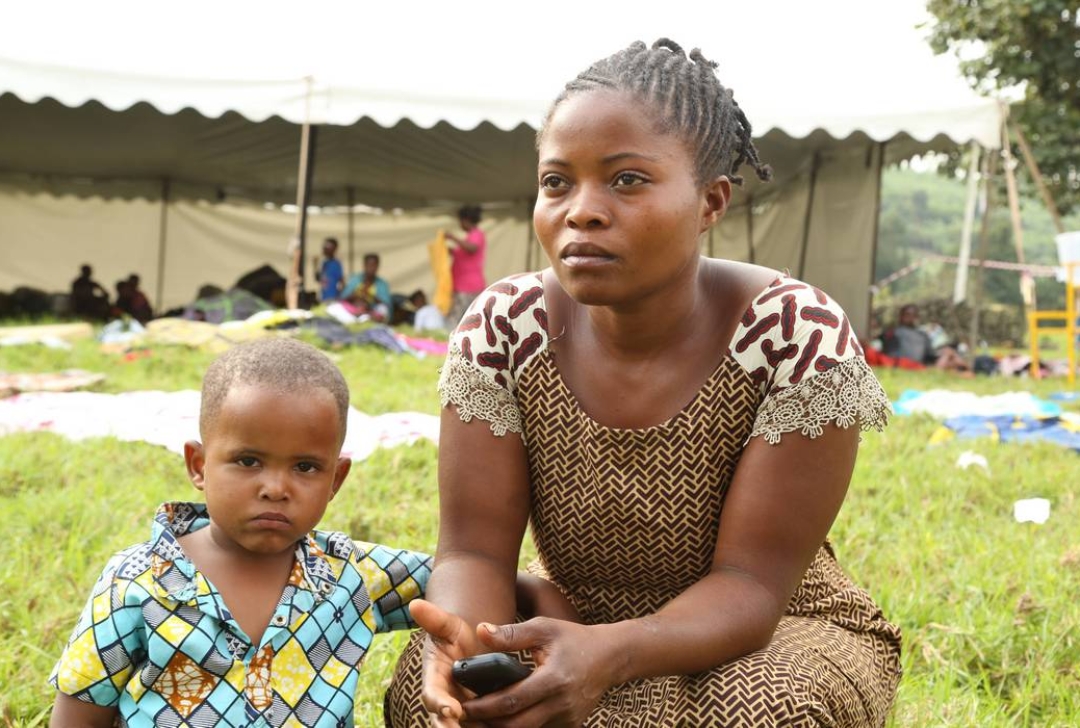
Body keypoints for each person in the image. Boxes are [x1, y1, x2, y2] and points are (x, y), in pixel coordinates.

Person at [385, 38, 901, 727]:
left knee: (762, 713)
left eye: (626, 180)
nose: (582, 210)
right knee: (441, 708)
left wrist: (611, 654)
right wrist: (469, 644)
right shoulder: (506, 326)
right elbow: (475, 549)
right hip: (570, 623)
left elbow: (750, 587)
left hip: (773, 630)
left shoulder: (793, 333)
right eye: (557, 182)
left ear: (711, 201)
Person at [48, 338, 433, 727]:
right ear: (198, 465)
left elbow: (465, 577)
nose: (276, 488)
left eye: (305, 467)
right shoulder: (137, 582)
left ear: (336, 479)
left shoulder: (352, 574)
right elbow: (80, 711)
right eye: (248, 461)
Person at [881, 303, 969, 372]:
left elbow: (930, 354)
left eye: (912, 315)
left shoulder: (921, 335)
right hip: (910, 366)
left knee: (949, 353)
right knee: (949, 353)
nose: (910, 318)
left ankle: (966, 370)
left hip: (917, 365)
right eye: (907, 315)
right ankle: (967, 370)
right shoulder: (893, 333)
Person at [444, 204, 487, 326]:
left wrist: (453, 238)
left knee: (460, 319)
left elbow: (472, 248)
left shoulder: (476, 234)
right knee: (459, 318)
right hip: (461, 285)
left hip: (468, 287)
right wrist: (449, 250)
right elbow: (463, 254)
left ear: (466, 220)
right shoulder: (468, 237)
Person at [343, 252, 393, 321]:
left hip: (372, 311)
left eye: (374, 265)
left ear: (377, 266)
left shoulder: (382, 284)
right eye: (369, 265)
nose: (371, 268)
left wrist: (370, 295)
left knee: (383, 309)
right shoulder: (355, 279)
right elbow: (343, 298)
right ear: (364, 265)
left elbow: (387, 304)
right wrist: (356, 294)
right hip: (354, 309)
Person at [316, 237, 345, 302]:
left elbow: (341, 281)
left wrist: (339, 296)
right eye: (324, 246)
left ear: (334, 249)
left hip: (333, 298)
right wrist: (315, 265)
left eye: (328, 247)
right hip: (323, 297)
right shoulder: (324, 263)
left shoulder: (336, 264)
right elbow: (318, 279)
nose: (325, 249)